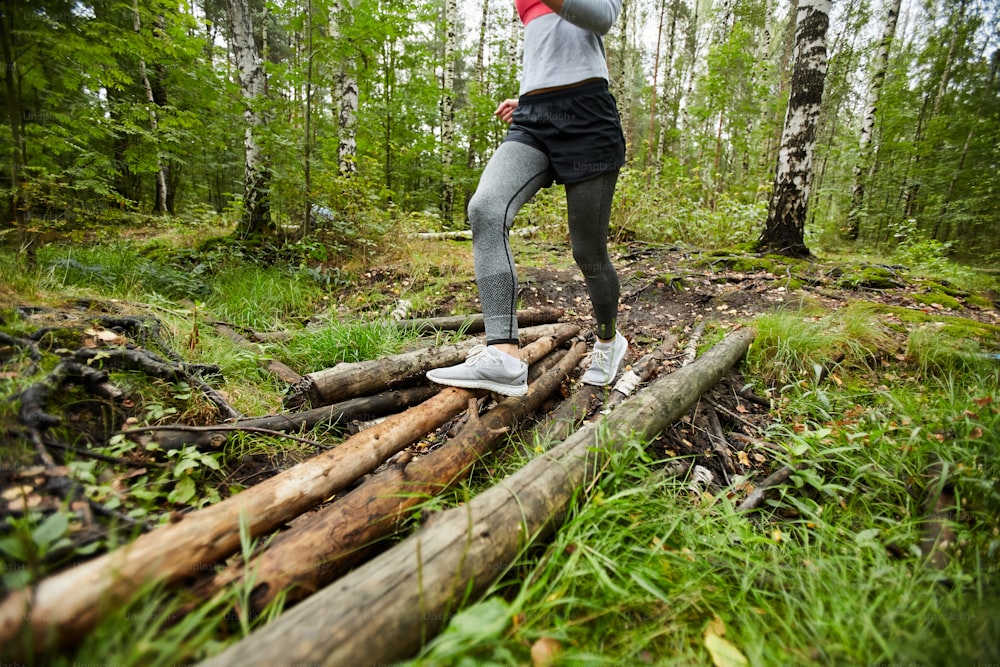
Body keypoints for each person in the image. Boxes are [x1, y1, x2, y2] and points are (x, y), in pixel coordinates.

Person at [427, 0, 628, 397]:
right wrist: (535, 98)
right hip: (534, 118)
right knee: (485, 208)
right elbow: (550, 43)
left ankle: (609, 341)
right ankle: (503, 354)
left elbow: (602, 18)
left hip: (588, 118)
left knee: (588, 251)